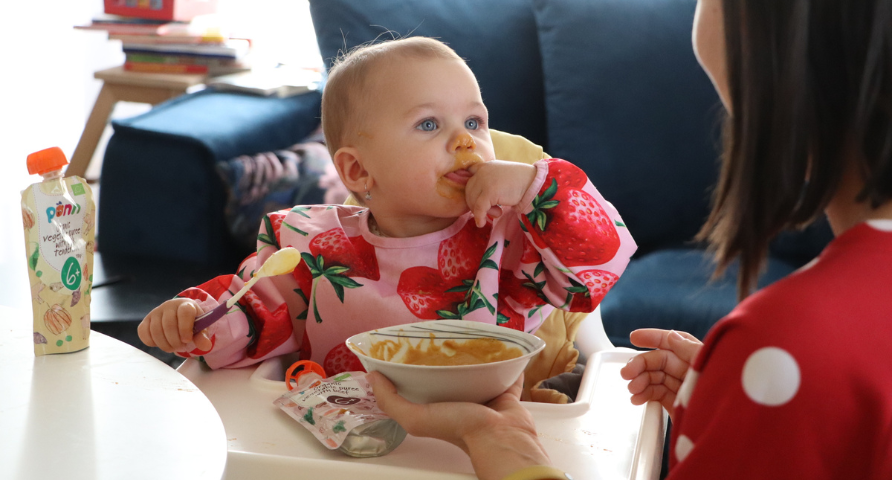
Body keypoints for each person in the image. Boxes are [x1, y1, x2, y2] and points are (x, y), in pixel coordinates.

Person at [369, 0, 892, 478]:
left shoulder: (787, 344)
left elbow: (598, 256)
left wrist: (502, 445)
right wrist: (729, 406)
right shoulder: (786, 357)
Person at [137, 37, 636, 374]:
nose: (465, 142)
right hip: (351, 447)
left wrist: (533, 186)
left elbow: (598, 256)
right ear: (357, 172)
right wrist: (196, 320)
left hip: (483, 444)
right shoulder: (310, 248)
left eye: (474, 122)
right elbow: (254, 319)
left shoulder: (511, 238)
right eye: (428, 125)